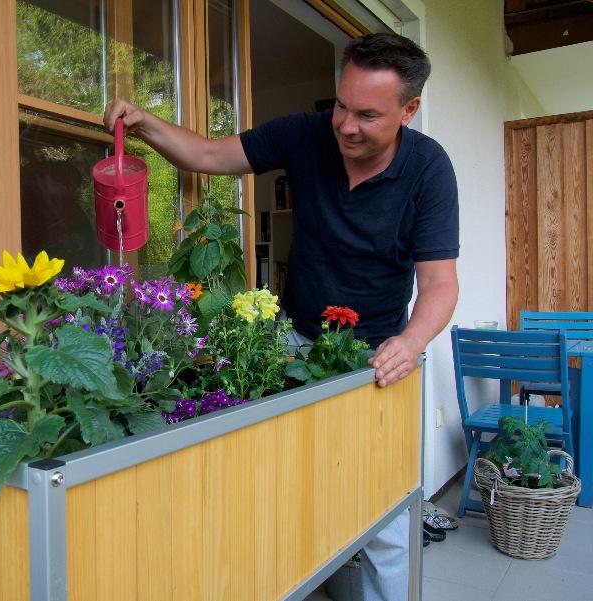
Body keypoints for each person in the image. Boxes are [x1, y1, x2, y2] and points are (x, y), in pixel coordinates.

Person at [104, 31, 458, 601]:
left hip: (380, 356)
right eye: (342, 105)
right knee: (284, 490)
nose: (345, 125)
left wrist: (410, 342)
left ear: (408, 111)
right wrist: (144, 123)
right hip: (293, 343)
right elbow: (210, 155)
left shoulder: (429, 169)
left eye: (367, 115)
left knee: (386, 513)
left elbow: (439, 282)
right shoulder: (302, 133)